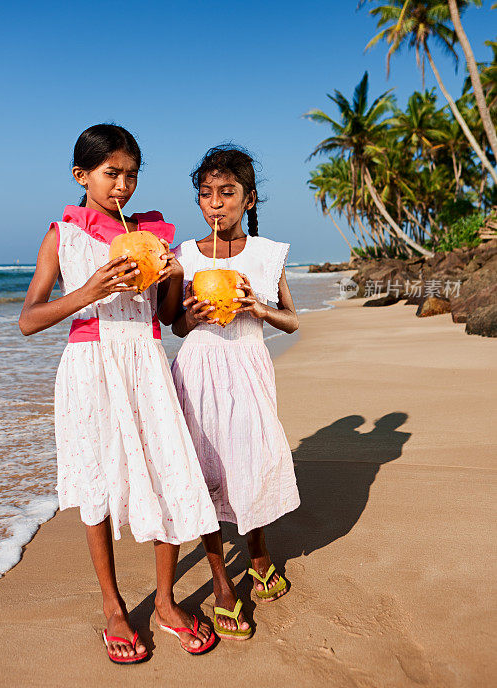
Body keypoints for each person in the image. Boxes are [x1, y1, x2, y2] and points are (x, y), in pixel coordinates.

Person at [19, 124, 219, 663]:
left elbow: (170, 319)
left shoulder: (153, 235)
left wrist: (175, 278)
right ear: (82, 175)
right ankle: (112, 605)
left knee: (170, 475)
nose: (123, 187)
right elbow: (28, 319)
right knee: (98, 483)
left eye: (132, 175)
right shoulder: (64, 235)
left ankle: (165, 602)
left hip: (147, 362)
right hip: (90, 367)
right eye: (112, 175)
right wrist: (88, 290)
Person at [171, 144, 301, 640]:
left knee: (249, 463)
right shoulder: (183, 255)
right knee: (205, 471)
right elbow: (176, 325)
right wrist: (192, 316)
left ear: (248, 199)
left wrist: (258, 308)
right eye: (206, 194)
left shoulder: (268, 255)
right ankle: (221, 582)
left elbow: (290, 320)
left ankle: (259, 552)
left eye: (227, 193)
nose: (215, 204)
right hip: (199, 369)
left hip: (248, 367)